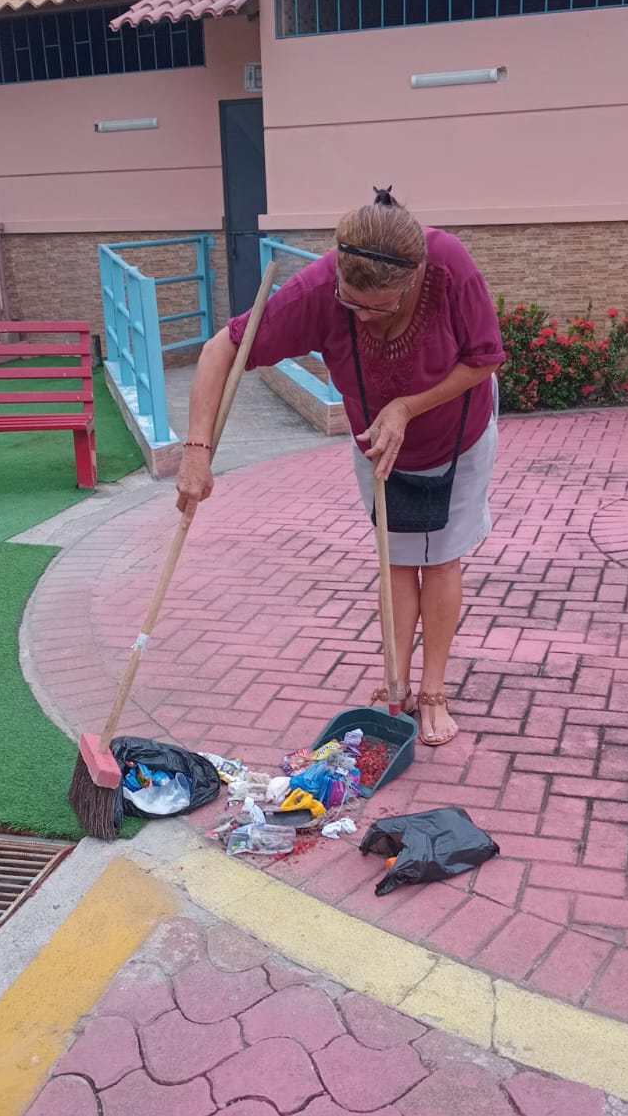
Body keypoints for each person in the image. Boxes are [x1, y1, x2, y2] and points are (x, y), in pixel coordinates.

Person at [176, 189, 504, 747]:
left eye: (377, 307)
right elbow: (220, 350)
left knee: (440, 558)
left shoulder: (449, 267)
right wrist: (196, 450)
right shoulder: (320, 290)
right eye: (350, 303)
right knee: (397, 558)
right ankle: (395, 684)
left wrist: (406, 407)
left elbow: (485, 358)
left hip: (456, 434)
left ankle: (433, 689)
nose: (362, 316)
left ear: (412, 280)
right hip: (375, 440)